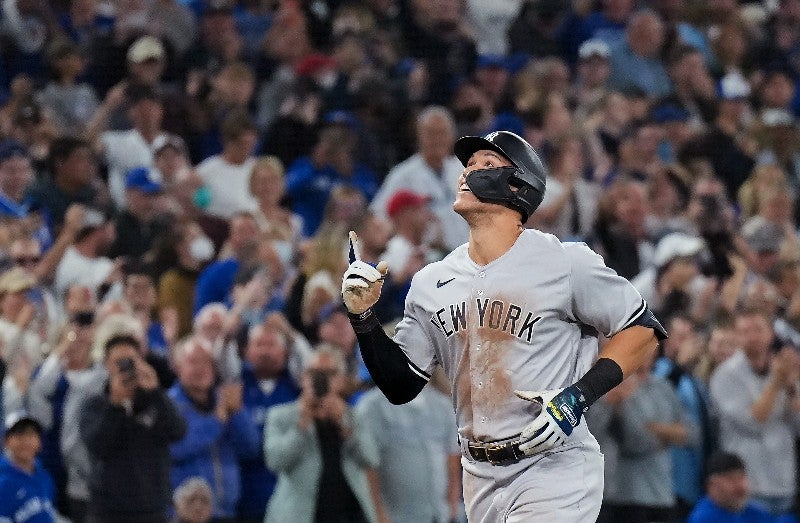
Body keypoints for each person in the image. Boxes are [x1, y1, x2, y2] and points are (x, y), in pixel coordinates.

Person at [341, 130, 667, 521]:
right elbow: (401, 385)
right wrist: (364, 318)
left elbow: (642, 329)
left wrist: (577, 397)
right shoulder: (431, 281)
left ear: (518, 185)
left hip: (554, 465)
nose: (467, 172)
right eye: (468, 164)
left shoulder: (564, 261)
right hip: (478, 472)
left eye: (486, 165)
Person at [263, 346, 380, 523]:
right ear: (304, 378)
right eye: (314, 373)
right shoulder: (281, 416)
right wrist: (302, 423)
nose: (321, 380)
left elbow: (371, 459)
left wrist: (345, 424)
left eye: (329, 374)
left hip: (350, 515)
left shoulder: (354, 416)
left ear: (341, 380)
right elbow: (275, 461)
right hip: (300, 515)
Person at [79, 334, 186, 523]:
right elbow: (98, 446)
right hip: (108, 512)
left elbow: (178, 431)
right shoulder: (94, 405)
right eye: (118, 362)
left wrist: (156, 393)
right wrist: (115, 406)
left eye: (131, 361)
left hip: (153, 508)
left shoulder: (155, 401)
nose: (125, 367)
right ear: (106, 365)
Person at [687, 452, 799, 523]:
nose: (739, 486)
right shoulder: (703, 518)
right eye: (731, 479)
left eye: (741, 477)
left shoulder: (758, 513)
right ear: (711, 486)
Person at [0, 411, 56, 523]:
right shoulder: (3, 483)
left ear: (39, 441)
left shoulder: (45, 478)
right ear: (6, 441)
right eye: (19, 435)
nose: (26, 441)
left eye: (31, 435)